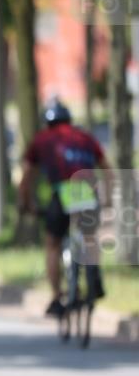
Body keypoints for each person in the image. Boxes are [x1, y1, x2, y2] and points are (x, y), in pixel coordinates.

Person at [18, 99, 112, 317]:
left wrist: (26, 202)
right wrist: (108, 199)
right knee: (89, 235)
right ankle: (93, 274)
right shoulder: (85, 137)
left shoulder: (42, 139)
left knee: (52, 243)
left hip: (62, 192)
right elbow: (106, 169)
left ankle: (56, 295)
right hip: (87, 189)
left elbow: (27, 176)